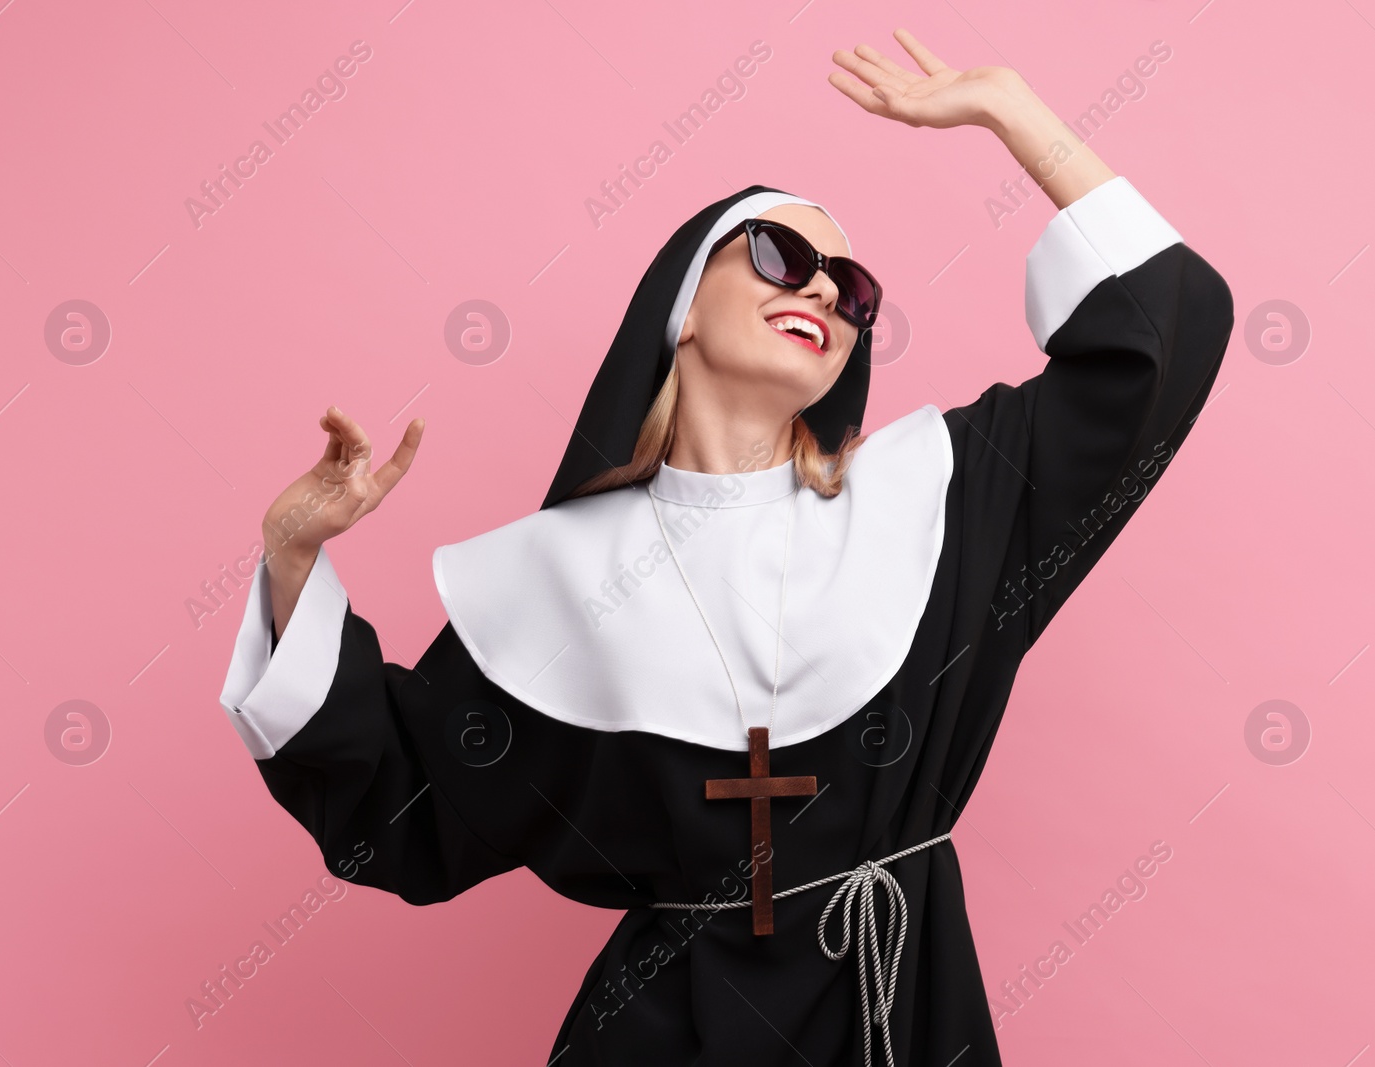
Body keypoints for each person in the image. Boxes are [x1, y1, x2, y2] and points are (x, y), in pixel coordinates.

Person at [217, 29, 1234, 1067]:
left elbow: (1160, 342)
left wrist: (1011, 111)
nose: (827, 291)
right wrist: (292, 555)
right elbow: (393, 808)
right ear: (680, 309)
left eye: (852, 284)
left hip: (900, 1012)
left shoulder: (939, 499)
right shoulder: (558, 580)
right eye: (780, 257)